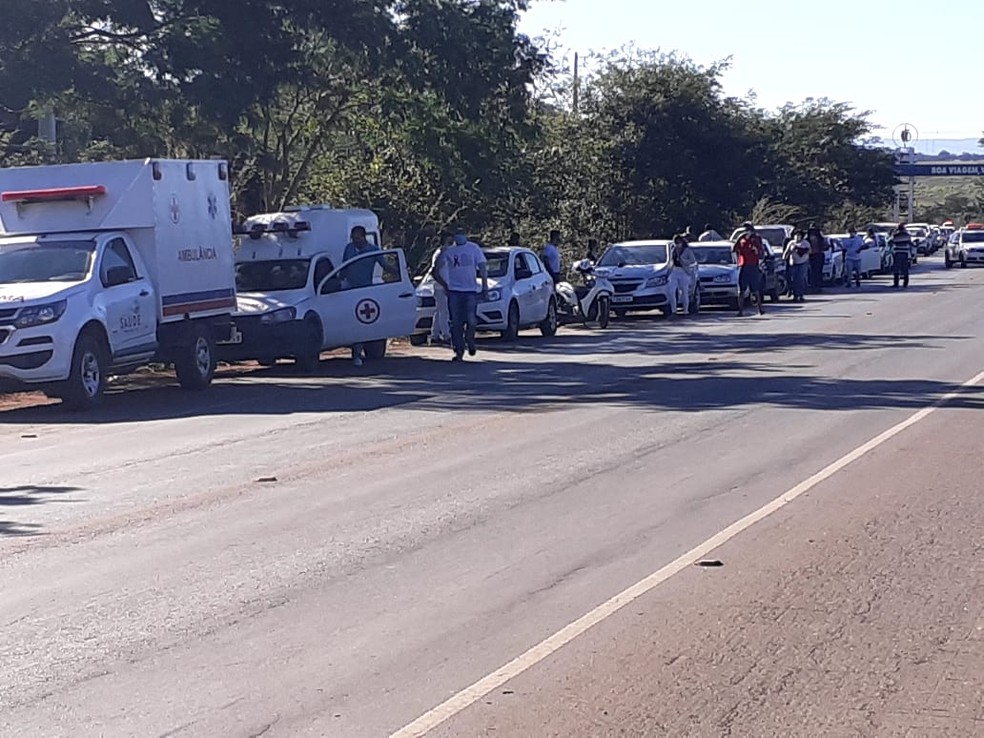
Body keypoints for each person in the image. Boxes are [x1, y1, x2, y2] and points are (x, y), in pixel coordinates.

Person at [434, 229, 488, 361]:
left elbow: (482, 266)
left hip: (470, 290)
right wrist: (445, 285)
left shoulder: (473, 248)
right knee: (455, 323)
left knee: (471, 320)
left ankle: (470, 338)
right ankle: (458, 350)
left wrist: (485, 286)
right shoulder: (448, 251)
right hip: (454, 292)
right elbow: (435, 270)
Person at [342, 225, 381, 367]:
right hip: (349, 288)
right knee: (351, 321)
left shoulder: (373, 250)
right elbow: (344, 266)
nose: (355, 240)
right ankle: (353, 350)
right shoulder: (349, 248)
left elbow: (384, 264)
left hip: (365, 290)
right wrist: (338, 282)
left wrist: (399, 272)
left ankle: (357, 353)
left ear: (363, 236)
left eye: (357, 238)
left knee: (361, 321)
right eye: (353, 238)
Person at [733, 222, 766, 316]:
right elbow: (734, 249)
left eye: (748, 229)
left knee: (755, 289)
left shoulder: (756, 238)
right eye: (745, 229)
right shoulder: (741, 239)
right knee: (741, 290)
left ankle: (760, 308)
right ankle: (740, 311)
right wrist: (739, 238)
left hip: (753, 265)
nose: (746, 231)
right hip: (743, 265)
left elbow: (760, 250)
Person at [429, 232, 453, 344]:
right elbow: (434, 271)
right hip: (440, 287)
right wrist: (444, 284)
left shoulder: (448, 253)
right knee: (444, 311)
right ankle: (446, 335)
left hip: (444, 286)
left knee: (439, 311)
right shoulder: (440, 254)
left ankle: (434, 334)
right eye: (449, 241)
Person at [668, 234, 697, 316]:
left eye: (678, 243)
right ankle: (673, 311)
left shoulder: (687, 250)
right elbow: (670, 261)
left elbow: (693, 261)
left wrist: (683, 260)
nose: (677, 244)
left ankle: (686, 311)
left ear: (681, 242)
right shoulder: (673, 249)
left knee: (684, 292)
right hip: (674, 271)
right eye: (675, 243)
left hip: (684, 271)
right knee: (671, 291)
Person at [782, 229, 811, 302]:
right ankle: (795, 295)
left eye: (799, 235)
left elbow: (810, 251)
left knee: (801, 279)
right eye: (796, 235)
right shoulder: (791, 243)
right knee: (794, 280)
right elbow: (786, 252)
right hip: (793, 263)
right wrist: (785, 257)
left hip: (803, 263)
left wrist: (801, 250)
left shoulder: (805, 243)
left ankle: (800, 295)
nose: (797, 237)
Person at [890, 223, 913, 289]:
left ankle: (896, 283)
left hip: (897, 253)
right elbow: (910, 243)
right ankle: (905, 283)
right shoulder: (907, 235)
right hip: (905, 253)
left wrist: (894, 232)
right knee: (905, 268)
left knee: (896, 268)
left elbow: (891, 241)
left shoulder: (895, 235)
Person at [806, 223, 826, 293]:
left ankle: (818, 285)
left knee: (818, 271)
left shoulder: (820, 235)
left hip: (819, 254)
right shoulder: (807, 235)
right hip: (811, 255)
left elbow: (824, 243)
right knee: (812, 271)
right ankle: (813, 285)